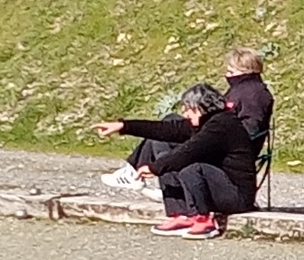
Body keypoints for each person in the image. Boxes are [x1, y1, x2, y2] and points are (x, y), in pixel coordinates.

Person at [94, 82, 259, 238]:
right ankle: (180, 214)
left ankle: (204, 221)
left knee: (193, 168)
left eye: (188, 109)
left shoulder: (221, 126)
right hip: (219, 188)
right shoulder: (205, 122)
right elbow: (165, 129)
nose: (185, 113)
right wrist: (123, 126)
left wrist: (155, 168)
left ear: (200, 109)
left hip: (237, 196)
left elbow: (189, 152)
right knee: (160, 142)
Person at [101, 48, 273, 194]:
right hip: (217, 137)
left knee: (165, 136)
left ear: (246, 71)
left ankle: (165, 186)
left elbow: (249, 129)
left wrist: (210, 134)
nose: (226, 76)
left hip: (225, 148)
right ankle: (135, 171)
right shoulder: (242, 89)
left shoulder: (253, 95)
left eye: (231, 72)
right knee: (168, 125)